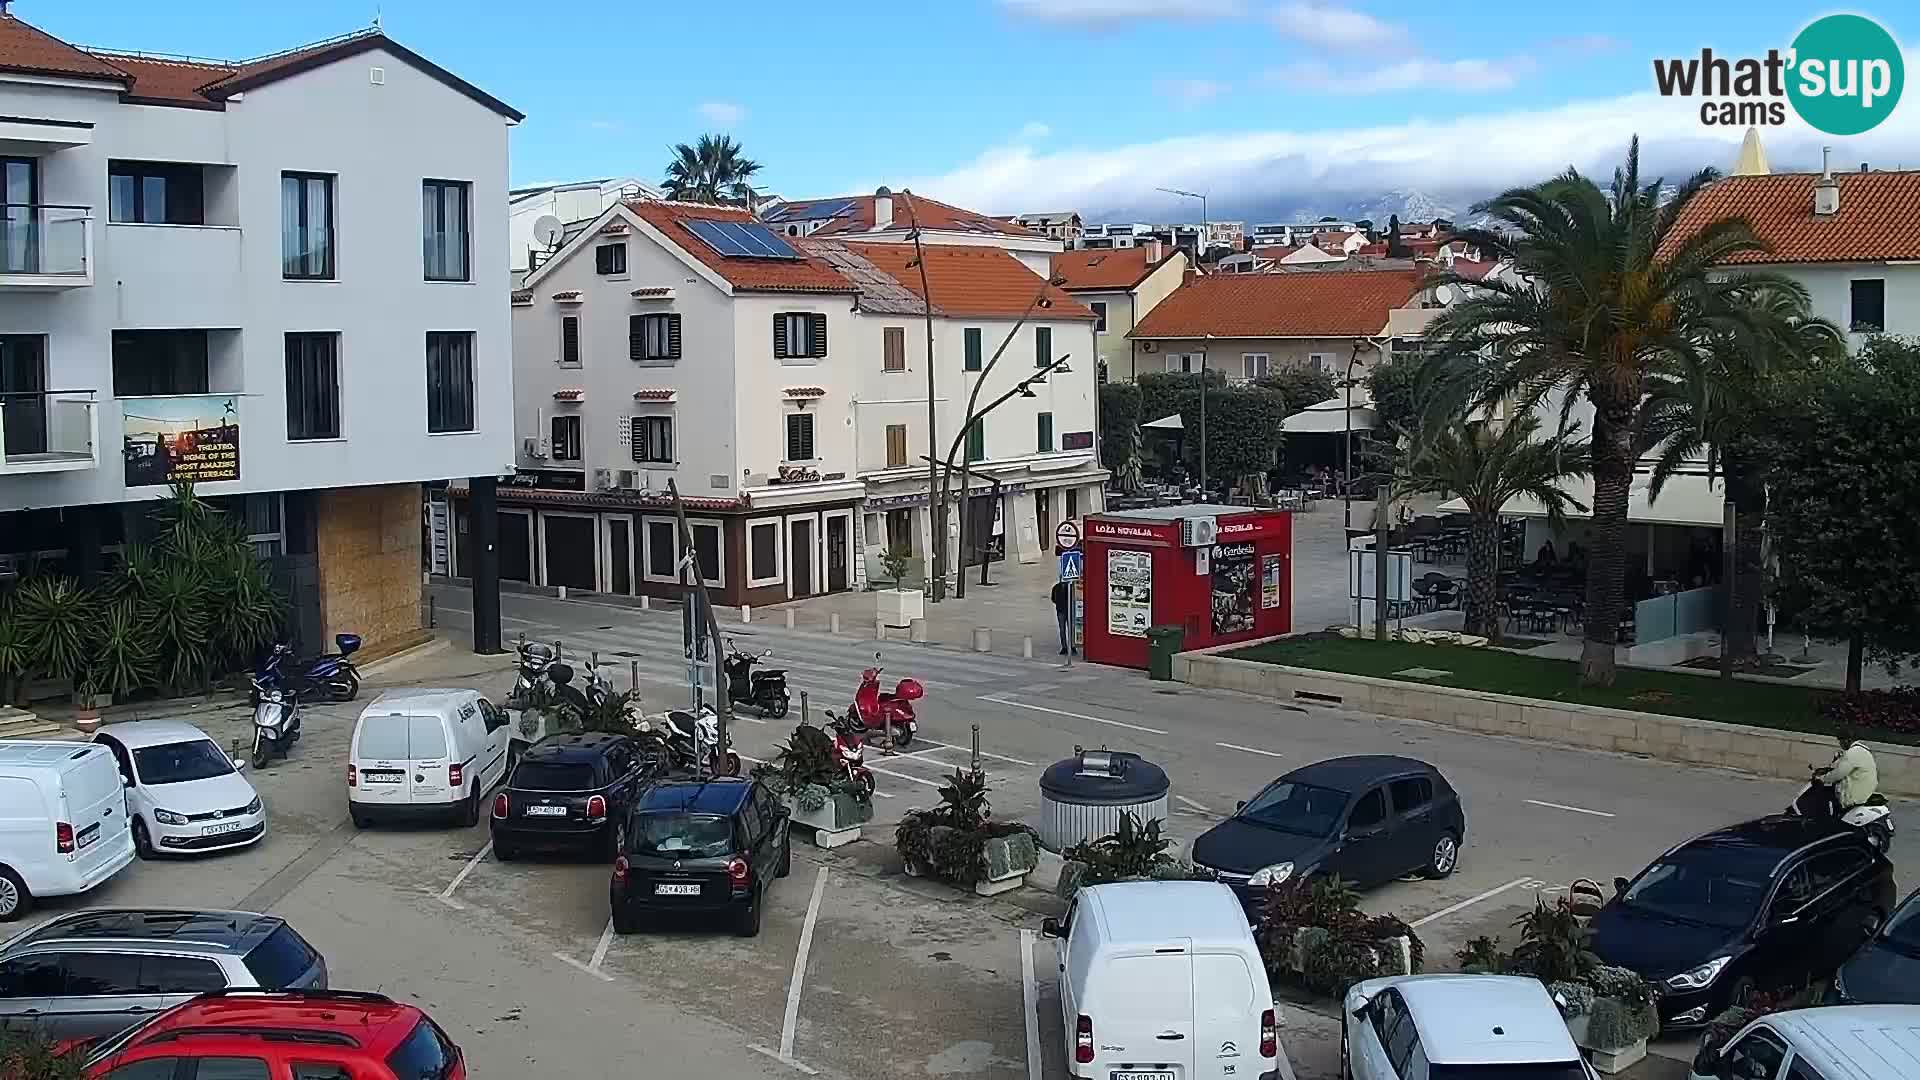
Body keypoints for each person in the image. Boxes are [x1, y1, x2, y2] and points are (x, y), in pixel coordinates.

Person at [1814, 728, 1879, 817]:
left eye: (1841, 741)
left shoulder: (1853, 752)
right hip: (1864, 789)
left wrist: (1822, 779)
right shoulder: (1861, 750)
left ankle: (1829, 821)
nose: (1840, 744)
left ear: (1848, 740)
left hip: (1855, 793)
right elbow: (1843, 766)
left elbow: (1839, 774)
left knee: (1823, 796)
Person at [1051, 577, 1075, 656]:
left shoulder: (1071, 587)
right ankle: (1064, 647)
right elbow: (1053, 598)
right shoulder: (1056, 587)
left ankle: (1072, 646)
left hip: (1069, 610)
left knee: (1071, 629)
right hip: (1061, 611)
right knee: (1062, 629)